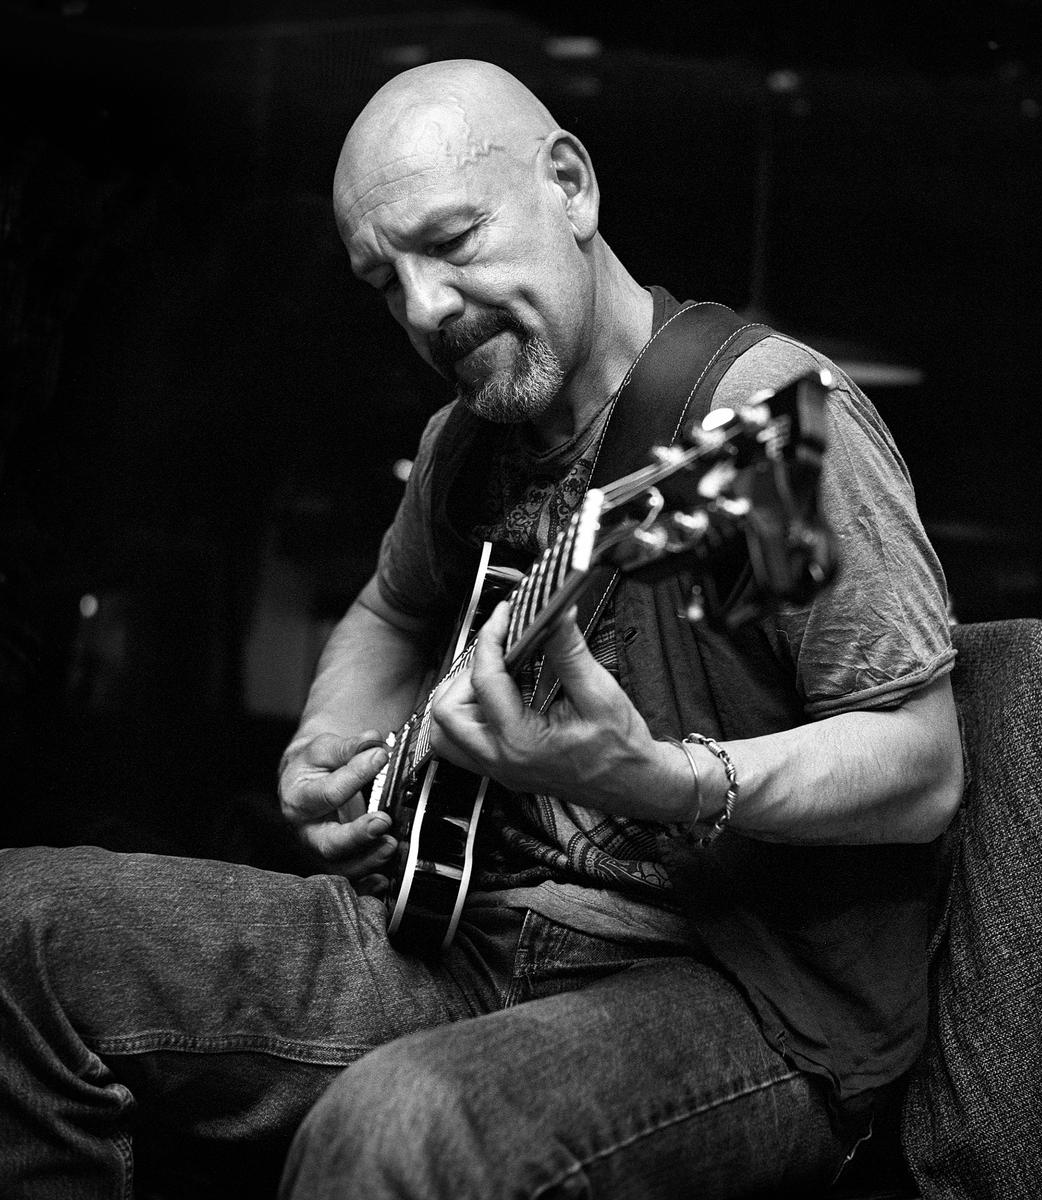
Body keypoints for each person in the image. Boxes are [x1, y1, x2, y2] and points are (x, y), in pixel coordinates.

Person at [0, 59, 962, 1199]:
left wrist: (668, 780)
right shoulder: (470, 443)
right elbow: (390, 608)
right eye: (383, 281)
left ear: (571, 187)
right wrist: (328, 748)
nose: (424, 311)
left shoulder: (746, 425)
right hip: (469, 936)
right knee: (24, 924)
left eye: (452, 241)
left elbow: (918, 762)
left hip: (735, 989)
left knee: (399, 1129)